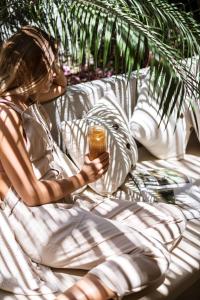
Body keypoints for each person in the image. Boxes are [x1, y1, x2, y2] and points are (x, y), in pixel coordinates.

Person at [0, 25, 186, 300]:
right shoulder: (6, 115)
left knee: (172, 219)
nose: (55, 73)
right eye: (50, 66)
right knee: (153, 254)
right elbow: (31, 194)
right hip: (42, 219)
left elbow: (61, 86)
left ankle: (111, 259)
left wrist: (49, 56)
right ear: (31, 70)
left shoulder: (28, 100)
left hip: (68, 204)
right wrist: (84, 177)